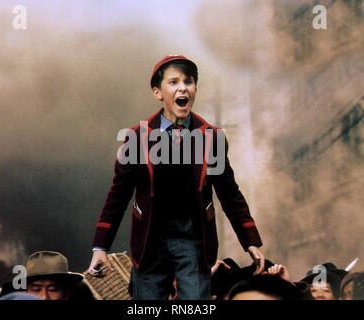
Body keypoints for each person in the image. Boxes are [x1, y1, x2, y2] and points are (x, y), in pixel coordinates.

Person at [88, 55, 264, 300]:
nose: (183, 87)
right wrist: (100, 247)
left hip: (192, 239)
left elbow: (229, 193)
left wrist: (250, 241)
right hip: (149, 240)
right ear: (158, 92)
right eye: (173, 82)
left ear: (194, 89)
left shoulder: (212, 138)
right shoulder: (137, 137)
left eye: (188, 81)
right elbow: (118, 195)